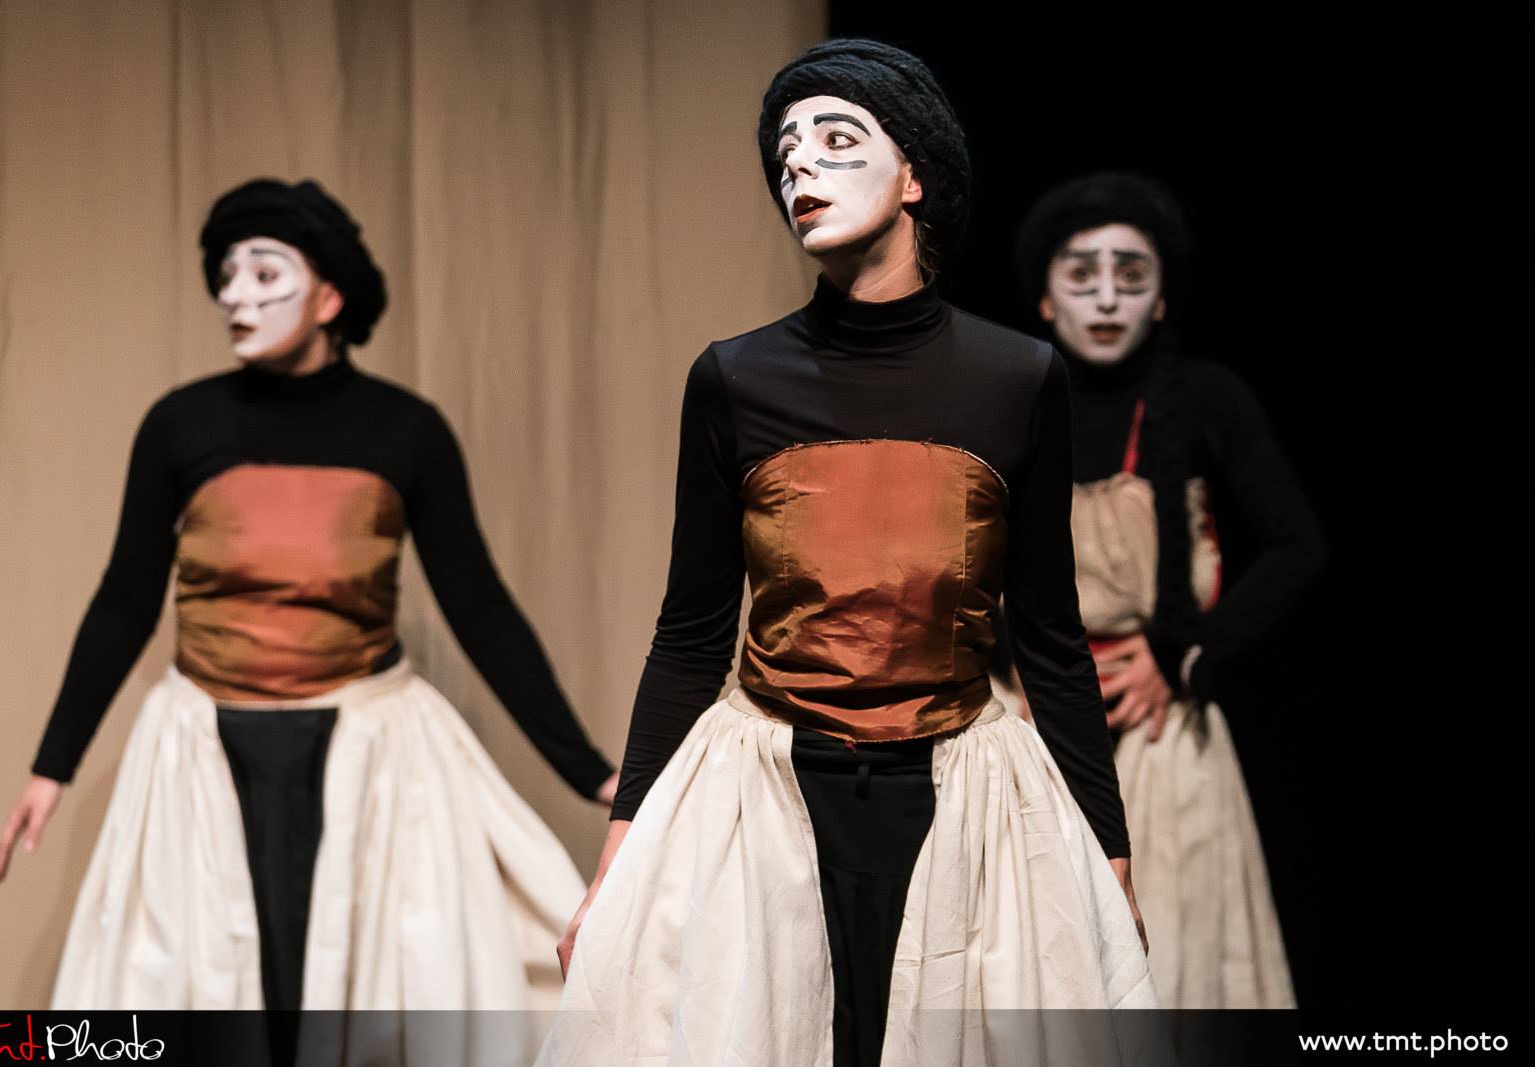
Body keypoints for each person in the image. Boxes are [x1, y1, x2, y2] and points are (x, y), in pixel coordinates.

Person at [540, 41, 1155, 1067]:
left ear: (914, 175)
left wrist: (1111, 865)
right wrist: (615, 867)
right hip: (765, 799)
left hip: (959, 797)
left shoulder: (1016, 378)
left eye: (836, 139)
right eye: (786, 152)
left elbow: (1051, 637)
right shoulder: (735, 379)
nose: (800, 165)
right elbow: (689, 634)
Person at [0, 179, 617, 1020]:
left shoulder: (406, 431)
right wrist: (52, 764)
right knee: (206, 985)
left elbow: (479, 606)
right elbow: (124, 599)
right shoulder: (180, 425)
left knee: (363, 984)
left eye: (264, 274)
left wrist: (589, 770)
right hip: (202, 752)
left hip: (368, 752)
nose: (234, 296)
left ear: (328, 297)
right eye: (226, 276)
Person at [1008, 172, 1325, 1008]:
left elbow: (1296, 545)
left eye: (1131, 274)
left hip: (1159, 729)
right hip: (1030, 731)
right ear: (1046, 297)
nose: (1107, 296)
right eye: (1083, 274)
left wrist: (1182, 653)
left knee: (1175, 970)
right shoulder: (1009, 398)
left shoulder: (1203, 397)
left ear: (1160, 298)